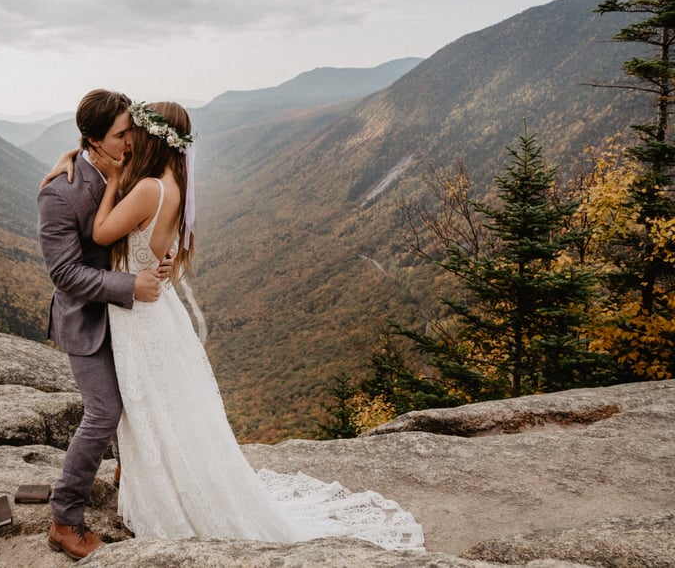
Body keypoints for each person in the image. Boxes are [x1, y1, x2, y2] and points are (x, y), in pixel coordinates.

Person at [89, 100, 425, 550]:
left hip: (140, 315)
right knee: (165, 408)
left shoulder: (148, 187)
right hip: (156, 310)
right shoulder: (177, 183)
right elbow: (157, 244)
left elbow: (101, 234)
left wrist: (111, 182)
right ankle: (163, 486)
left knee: (148, 406)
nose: (129, 142)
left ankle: (170, 500)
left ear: (151, 138)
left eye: (136, 134)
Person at [36, 89, 167, 560]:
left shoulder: (126, 168)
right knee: (103, 412)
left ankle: (126, 476)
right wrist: (131, 285)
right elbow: (64, 274)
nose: (131, 141)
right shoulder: (59, 192)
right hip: (86, 321)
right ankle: (64, 517)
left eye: (131, 130)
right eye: (121, 134)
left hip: (127, 320)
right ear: (92, 139)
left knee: (136, 398)